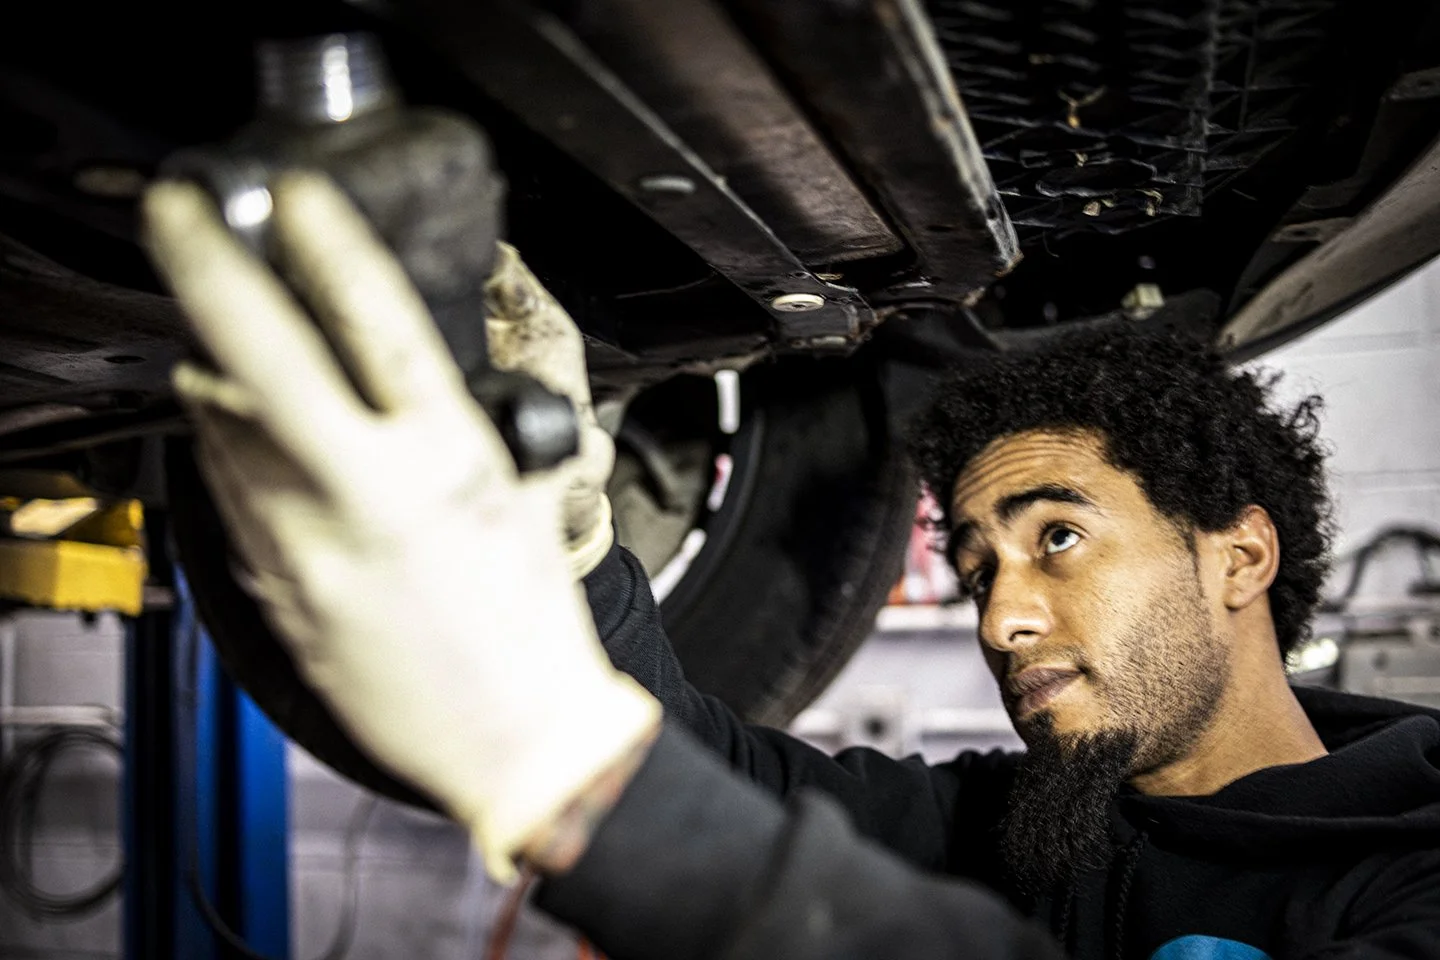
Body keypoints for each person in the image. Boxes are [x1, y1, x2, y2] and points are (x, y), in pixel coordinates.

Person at [140, 173, 1440, 960]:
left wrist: (567, 773)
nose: (1002, 618)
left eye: (1056, 537)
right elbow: (715, 768)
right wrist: (572, 551)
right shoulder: (1028, 822)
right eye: (977, 567)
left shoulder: (1413, 871)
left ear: (1239, 553)